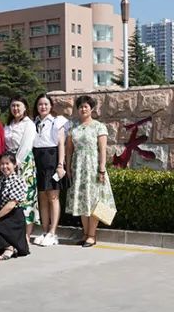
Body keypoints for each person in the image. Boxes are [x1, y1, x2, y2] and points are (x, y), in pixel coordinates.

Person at [66, 95, 116, 248]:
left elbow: (102, 150)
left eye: (86, 106)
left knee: (94, 201)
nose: (83, 109)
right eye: (80, 106)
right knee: (82, 201)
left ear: (92, 108)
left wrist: (102, 169)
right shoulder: (73, 128)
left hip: (93, 168)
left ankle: (92, 235)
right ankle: (85, 233)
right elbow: (69, 151)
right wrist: (68, 168)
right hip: (78, 169)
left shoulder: (99, 127)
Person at [31, 94, 68, 247]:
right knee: (42, 197)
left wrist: (60, 165)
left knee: (53, 197)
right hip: (37, 160)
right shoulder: (34, 122)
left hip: (52, 160)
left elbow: (61, 145)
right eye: (40, 104)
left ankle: (53, 232)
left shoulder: (57, 122)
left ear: (51, 106)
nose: (43, 107)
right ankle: (45, 231)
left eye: (46, 104)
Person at [4, 96, 38, 245]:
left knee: (26, 198)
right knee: (11, 197)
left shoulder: (28, 124)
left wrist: (16, 163)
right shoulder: (9, 124)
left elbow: (26, 145)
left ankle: (26, 235)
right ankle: (13, 234)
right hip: (8, 163)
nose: (15, 109)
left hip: (23, 163)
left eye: (18, 105)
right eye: (13, 106)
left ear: (25, 107)